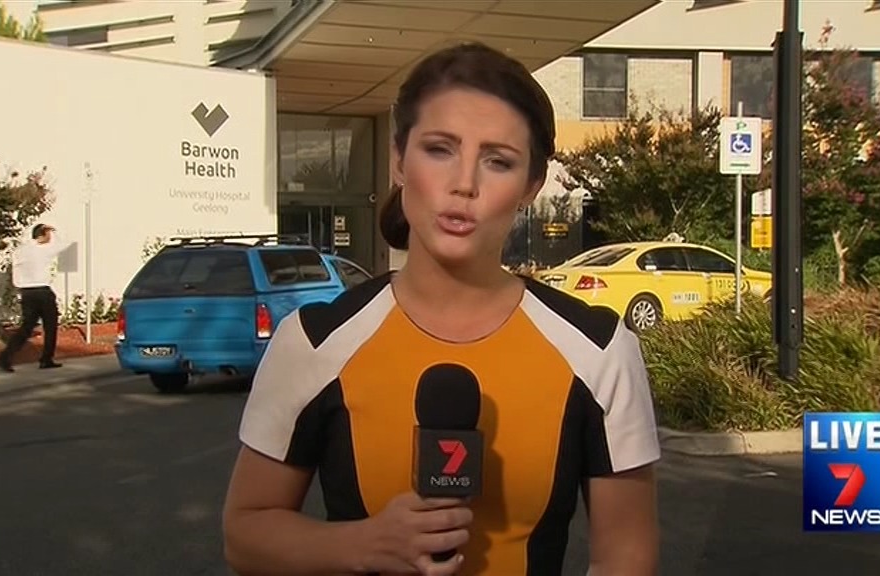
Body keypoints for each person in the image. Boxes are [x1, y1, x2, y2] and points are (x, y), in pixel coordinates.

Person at [223, 42, 660, 576]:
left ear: (531, 186)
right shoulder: (313, 341)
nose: (464, 184)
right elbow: (245, 536)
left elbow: (626, 557)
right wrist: (364, 545)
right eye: (439, 149)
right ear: (399, 159)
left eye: (498, 161)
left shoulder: (600, 351)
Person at [0, 223, 69, 372]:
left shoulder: (20, 251)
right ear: (42, 235)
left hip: (26, 292)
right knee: (50, 326)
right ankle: (46, 359)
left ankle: (6, 357)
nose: (50, 238)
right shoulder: (45, 250)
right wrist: (54, 231)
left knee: (27, 327)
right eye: (48, 235)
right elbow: (63, 245)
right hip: (43, 291)